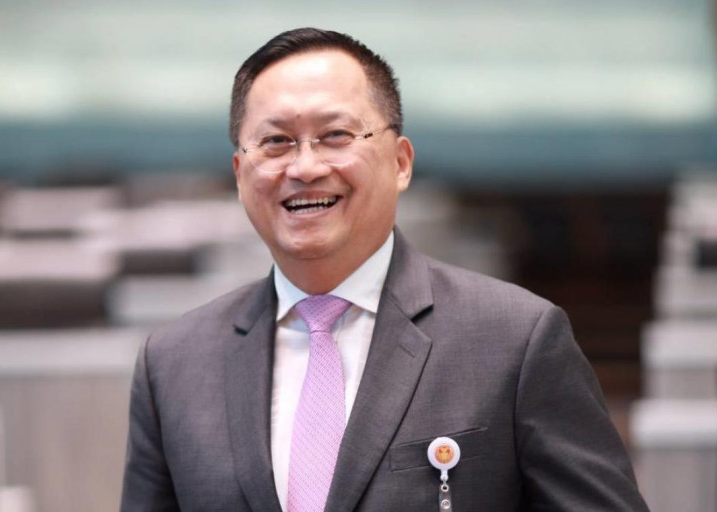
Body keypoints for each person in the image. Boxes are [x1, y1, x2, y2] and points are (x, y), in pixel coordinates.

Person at [120, 27, 649, 512]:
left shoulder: (515, 341)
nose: (305, 167)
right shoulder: (174, 364)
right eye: (276, 142)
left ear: (400, 162)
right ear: (240, 174)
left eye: (335, 135)